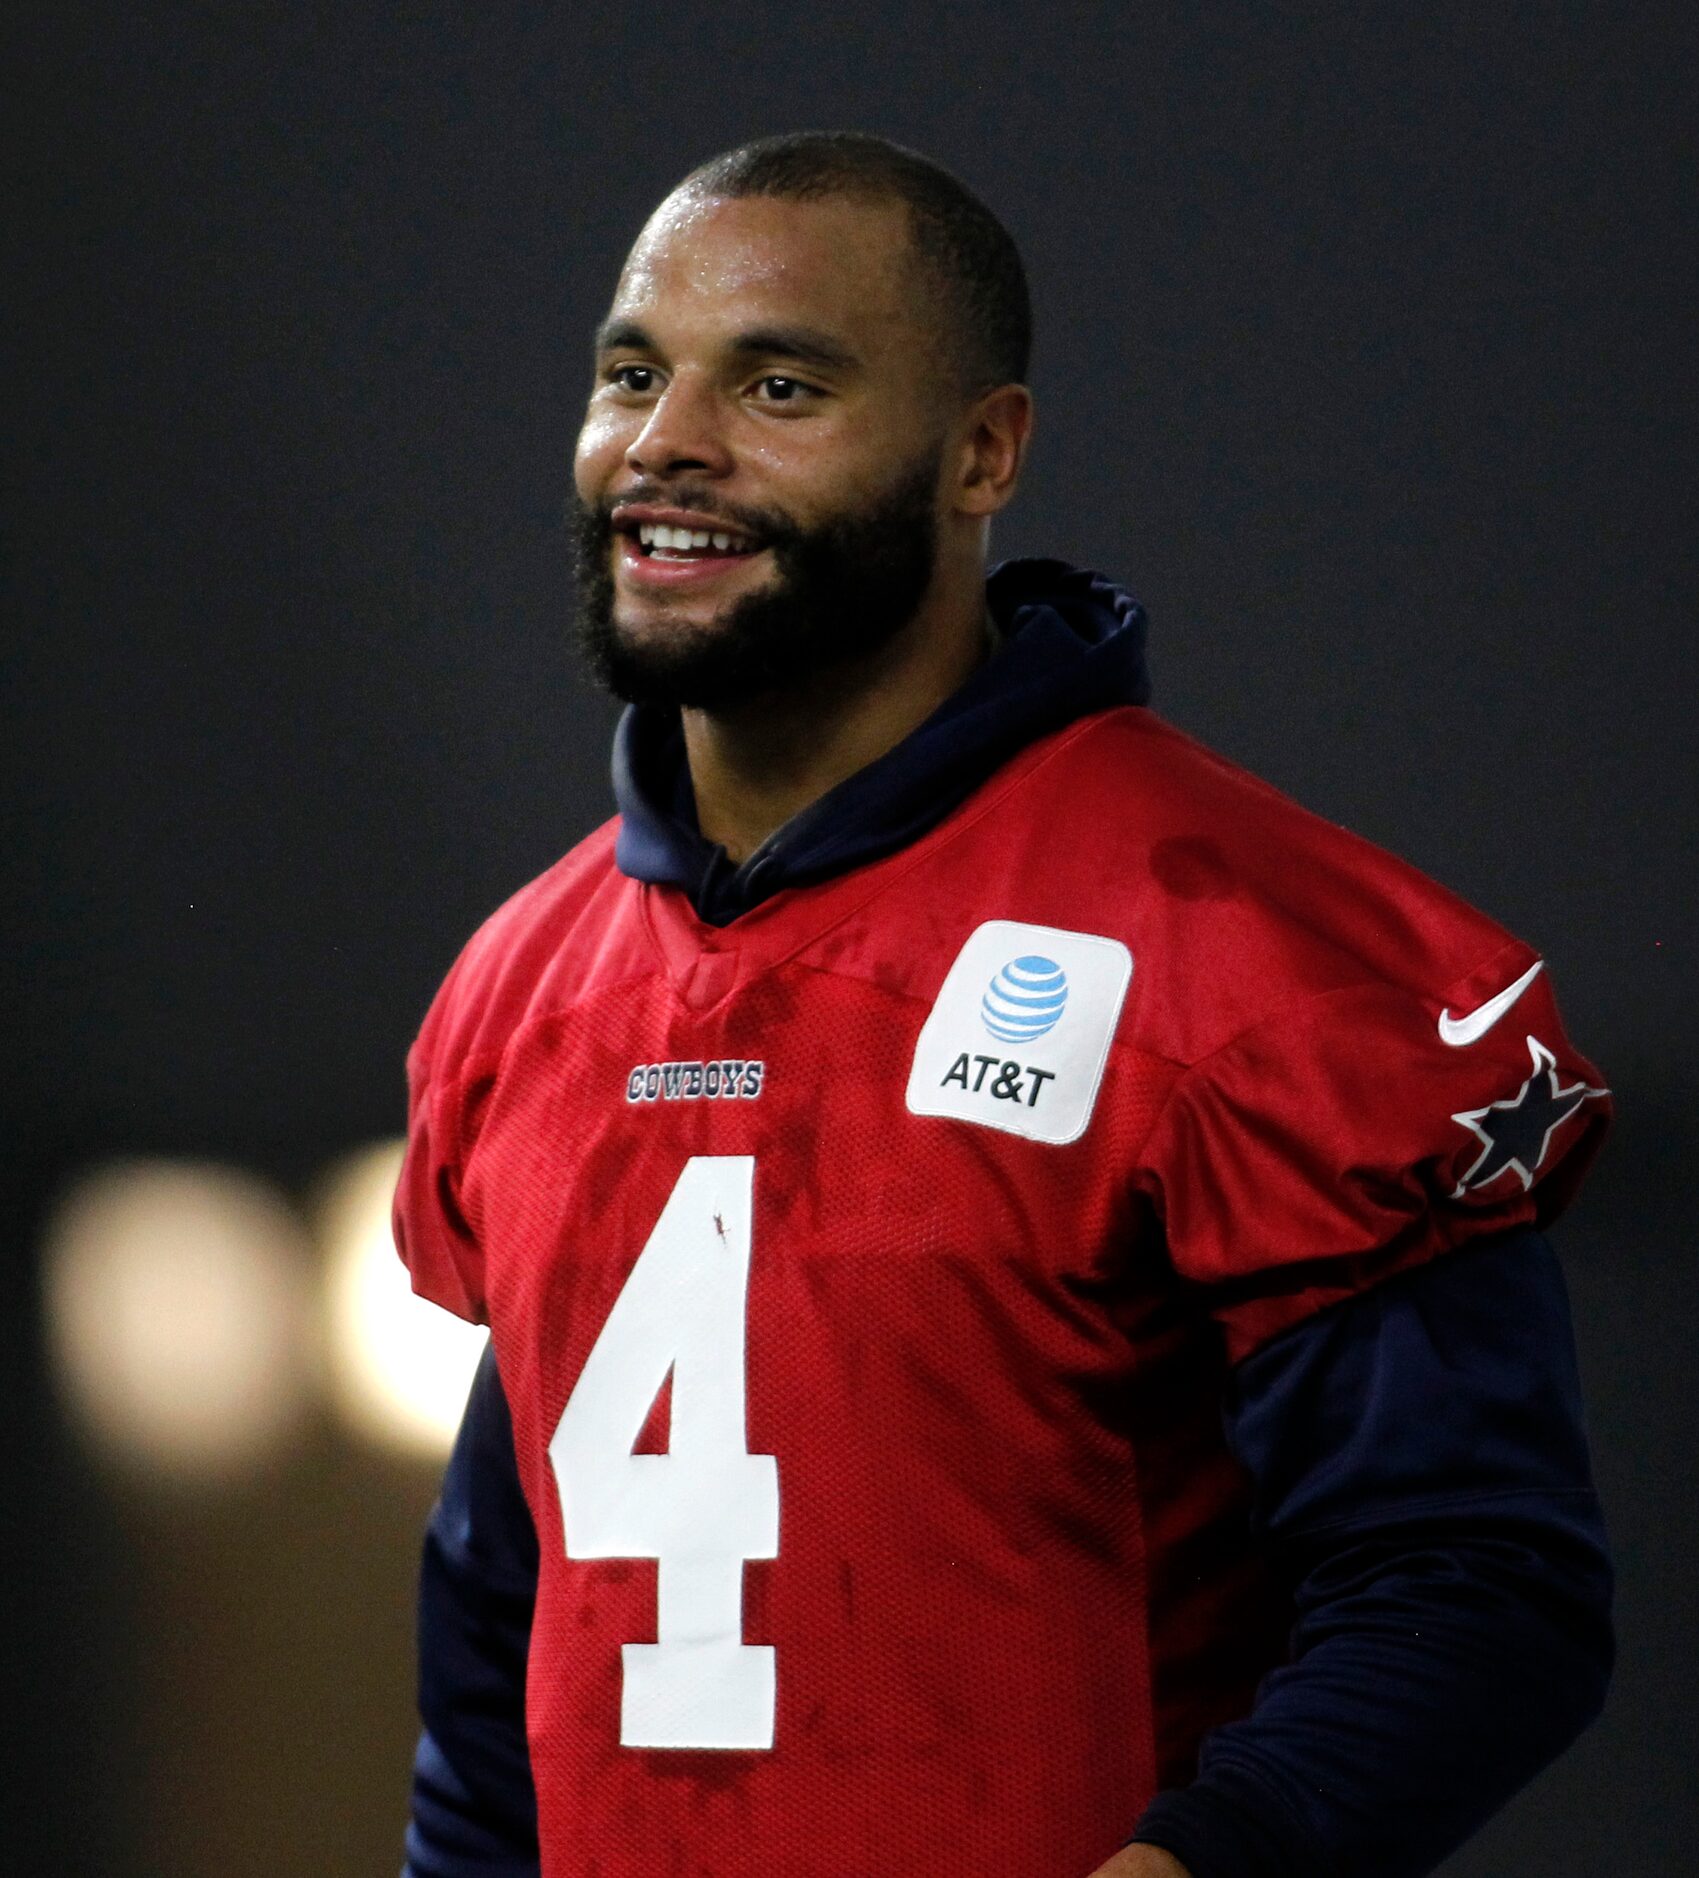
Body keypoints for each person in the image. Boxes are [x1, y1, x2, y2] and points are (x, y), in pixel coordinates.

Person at [393, 132, 1613, 1878]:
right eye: (632, 372)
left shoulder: (1252, 951)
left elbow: (1480, 1592)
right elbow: (498, 1631)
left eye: (782, 382)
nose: (668, 440)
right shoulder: (525, 983)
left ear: (985, 453)